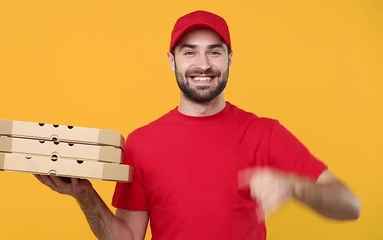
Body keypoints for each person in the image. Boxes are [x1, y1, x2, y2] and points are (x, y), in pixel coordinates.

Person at [35, 10, 360, 240]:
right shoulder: (142, 143)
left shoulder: (265, 133)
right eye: (190, 52)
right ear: (172, 60)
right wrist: (85, 195)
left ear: (229, 59)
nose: (203, 64)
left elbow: (349, 205)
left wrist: (294, 187)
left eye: (214, 52)